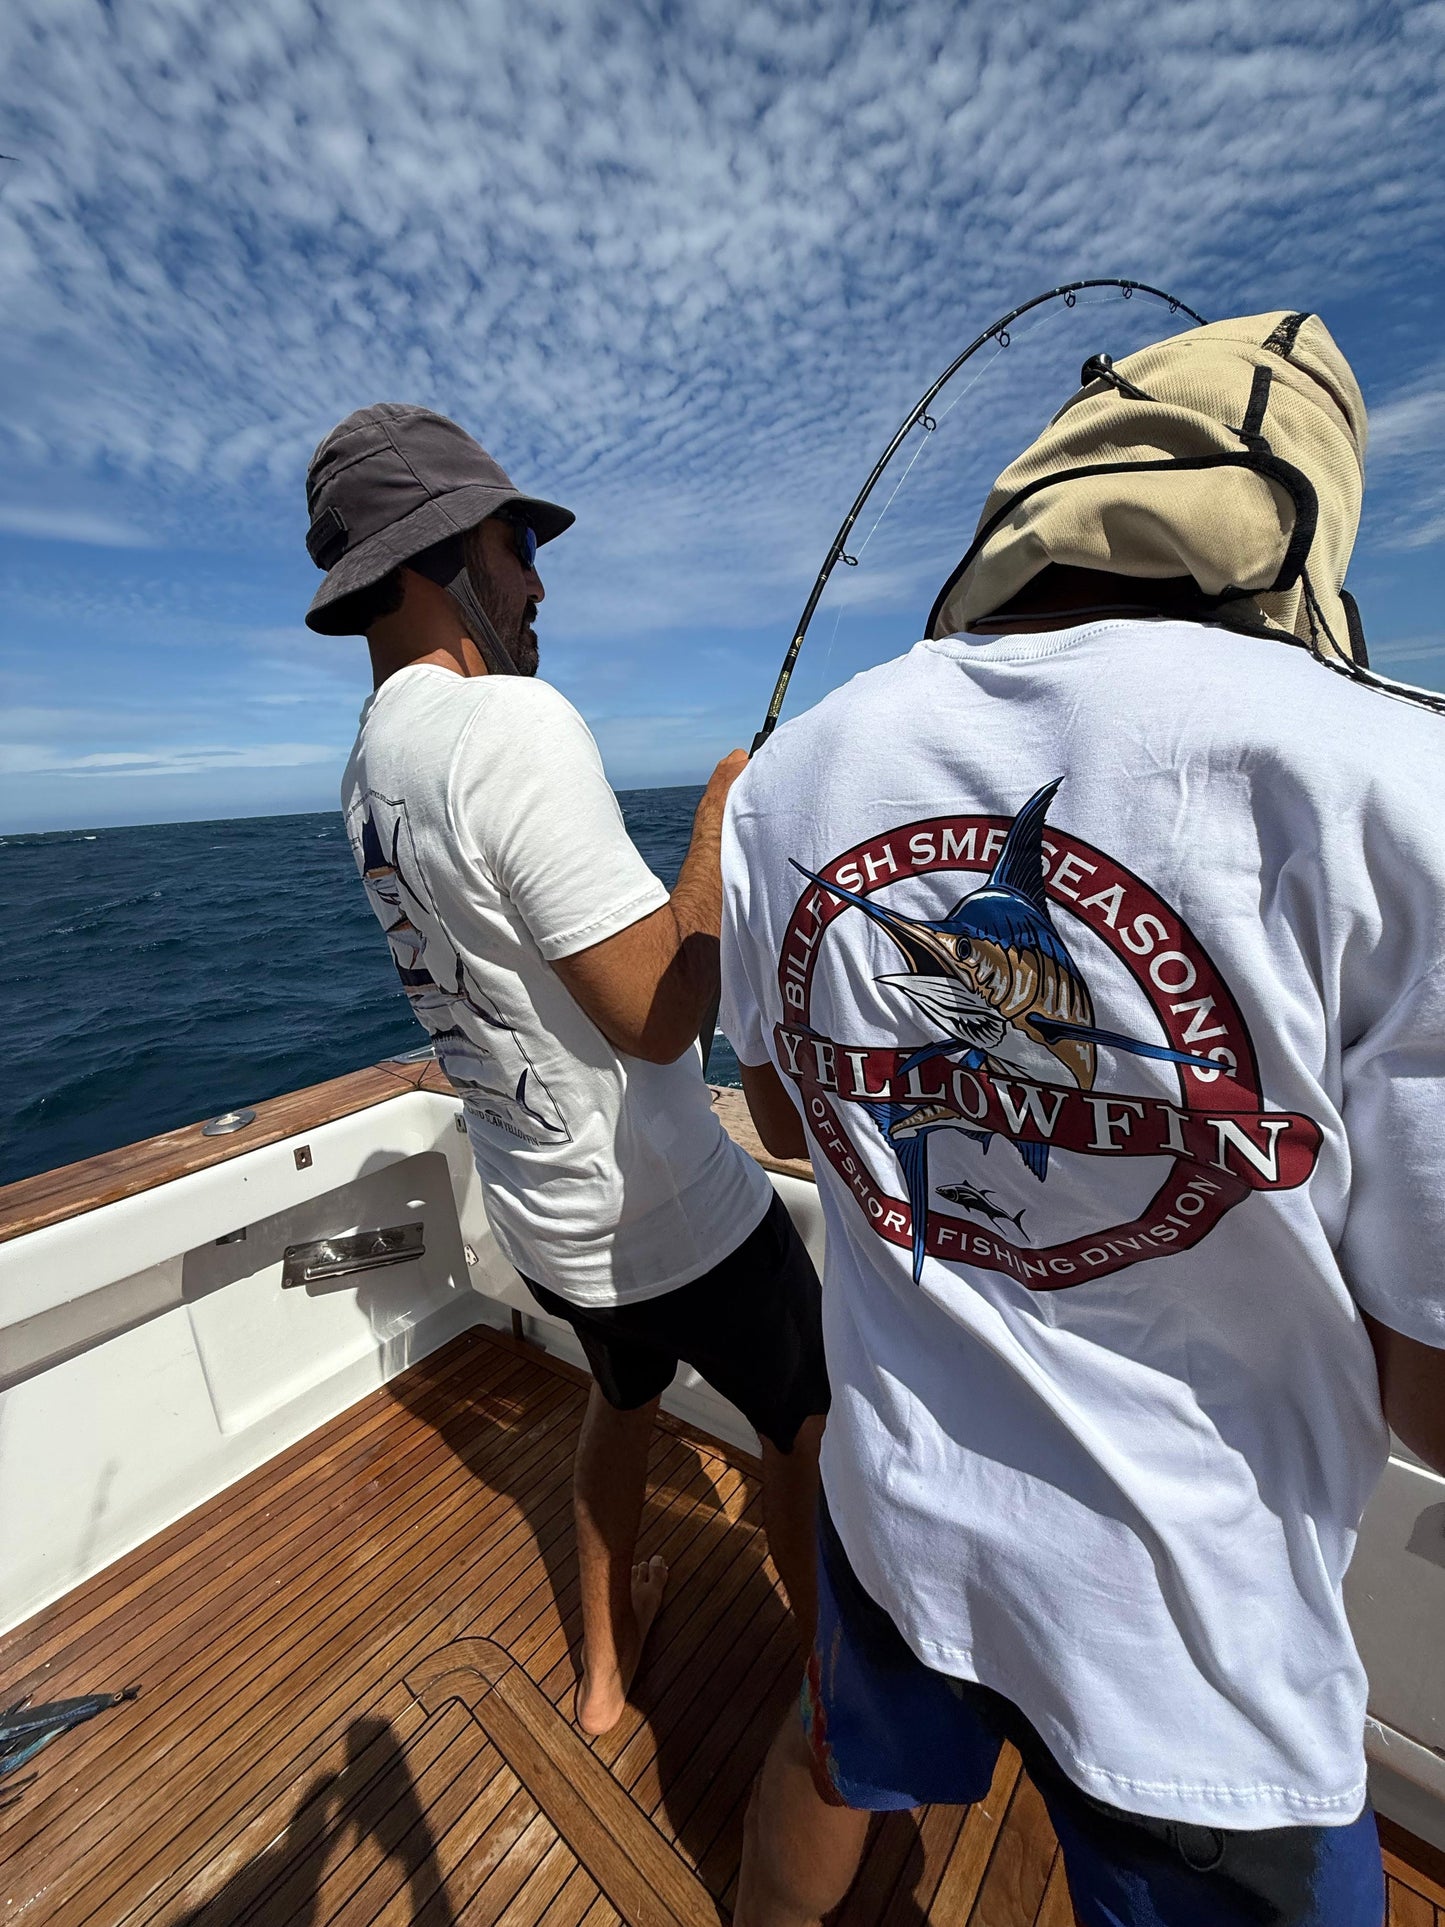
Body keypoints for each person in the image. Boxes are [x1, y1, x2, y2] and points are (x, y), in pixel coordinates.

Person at [721, 313, 1445, 1926]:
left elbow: (779, 1117)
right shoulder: (1402, 780)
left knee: (826, 1757)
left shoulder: (789, 780)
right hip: (1192, 1641)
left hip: (896, 1509)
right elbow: (1432, 1396)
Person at [303, 402, 829, 1735]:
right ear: (435, 560)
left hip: (541, 1217)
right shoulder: (510, 726)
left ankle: (601, 1679)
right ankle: (838, 1695)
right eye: (515, 540)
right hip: (674, 1214)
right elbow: (658, 1015)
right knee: (805, 1424)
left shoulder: (367, 767)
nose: (537, 577)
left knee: (621, 1394)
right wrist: (719, 822)